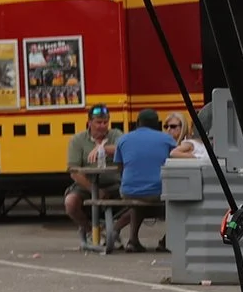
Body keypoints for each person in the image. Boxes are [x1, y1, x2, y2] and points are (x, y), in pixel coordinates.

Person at [110, 107, 173, 251]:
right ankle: (166, 241)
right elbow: (175, 163)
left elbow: (120, 167)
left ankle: (132, 241)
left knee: (138, 203)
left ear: (138, 122)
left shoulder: (123, 139)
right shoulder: (167, 139)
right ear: (157, 124)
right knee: (178, 203)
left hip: (128, 191)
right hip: (157, 192)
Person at [65, 105, 117, 239]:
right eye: (98, 122)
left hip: (114, 183)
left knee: (138, 199)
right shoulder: (78, 140)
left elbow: (123, 148)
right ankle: (90, 231)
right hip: (87, 185)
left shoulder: (116, 135)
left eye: (105, 122)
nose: (102, 126)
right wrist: (95, 191)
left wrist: (103, 148)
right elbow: (73, 170)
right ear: (89, 123)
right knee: (70, 203)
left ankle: (114, 230)